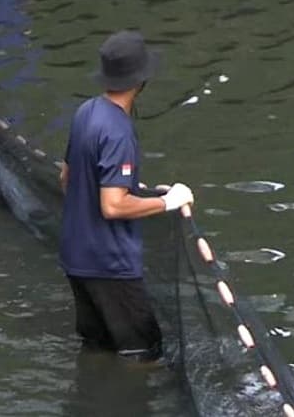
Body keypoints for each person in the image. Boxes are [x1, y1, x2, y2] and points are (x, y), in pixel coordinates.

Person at [58, 30, 196, 359]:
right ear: (141, 80)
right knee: (142, 354)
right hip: (111, 266)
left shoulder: (86, 111)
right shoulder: (118, 131)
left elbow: (68, 177)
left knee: (97, 347)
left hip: (76, 257)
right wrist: (167, 202)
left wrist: (141, 192)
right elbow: (113, 205)